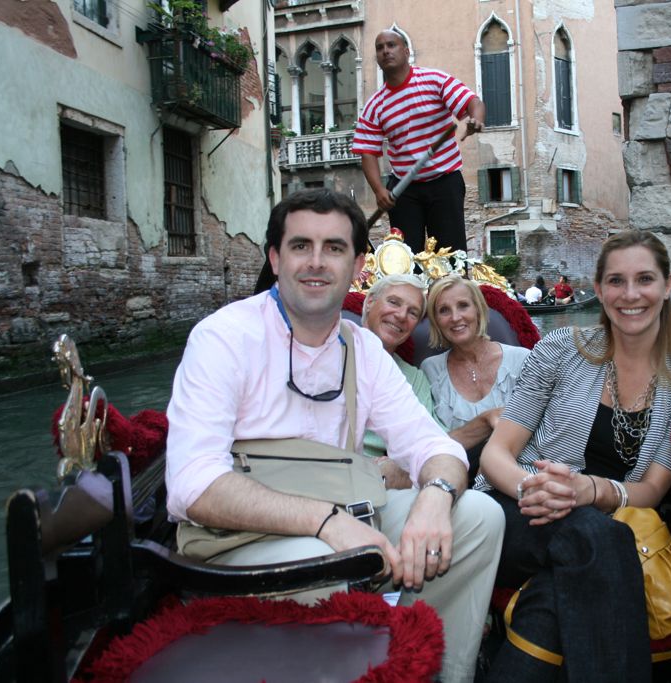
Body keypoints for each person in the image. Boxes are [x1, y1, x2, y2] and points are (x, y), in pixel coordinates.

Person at [165, 189, 504, 683]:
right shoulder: (223, 337)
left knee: (477, 515)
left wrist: (434, 496)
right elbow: (192, 483)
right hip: (234, 541)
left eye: (335, 248)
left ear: (356, 264)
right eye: (301, 246)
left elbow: (435, 446)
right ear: (276, 258)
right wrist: (326, 522)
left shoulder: (362, 349)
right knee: (325, 556)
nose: (317, 263)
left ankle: (435, 670)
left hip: (344, 518)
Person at [478, 229, 671, 682]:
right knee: (604, 540)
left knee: (562, 587)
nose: (631, 295)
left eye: (645, 279)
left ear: (667, 286)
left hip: (598, 528)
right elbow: (496, 453)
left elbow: (650, 489)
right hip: (512, 509)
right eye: (616, 281)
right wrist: (539, 489)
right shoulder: (559, 350)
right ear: (599, 288)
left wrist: (587, 491)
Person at [352, 29, 486, 255]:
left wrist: (476, 120)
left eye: (391, 45)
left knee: (451, 255)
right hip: (404, 191)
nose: (385, 51)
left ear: (406, 51)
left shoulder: (434, 81)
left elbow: (473, 102)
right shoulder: (375, 105)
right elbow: (367, 152)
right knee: (405, 258)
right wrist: (378, 190)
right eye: (380, 47)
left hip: (445, 182)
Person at [421, 276, 530, 483]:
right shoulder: (430, 370)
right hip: (459, 479)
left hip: (523, 473)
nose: (455, 317)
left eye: (463, 306)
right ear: (436, 321)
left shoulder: (522, 359)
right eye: (444, 310)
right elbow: (431, 444)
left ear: (478, 310)